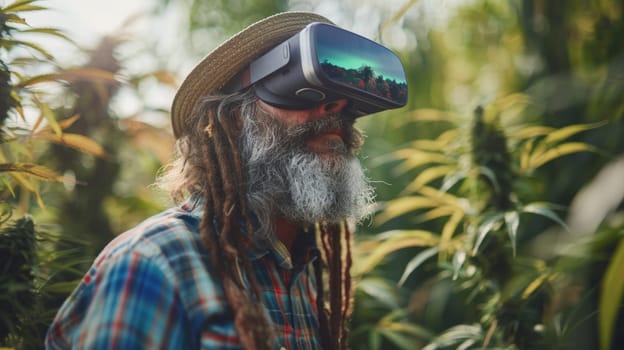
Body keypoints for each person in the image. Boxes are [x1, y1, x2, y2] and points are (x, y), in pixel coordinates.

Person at [45, 11, 406, 350]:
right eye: (305, 88)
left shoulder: (300, 267)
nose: (336, 108)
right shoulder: (154, 264)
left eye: (344, 100)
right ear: (233, 119)